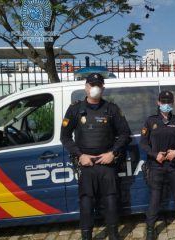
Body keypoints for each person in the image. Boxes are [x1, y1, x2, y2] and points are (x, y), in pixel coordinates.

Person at [60, 73, 131, 240]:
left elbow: (124, 134)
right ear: (86, 87)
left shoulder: (112, 109)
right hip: (86, 164)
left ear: (103, 88)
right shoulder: (75, 109)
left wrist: (112, 153)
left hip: (107, 164)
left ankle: (114, 235)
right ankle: (87, 236)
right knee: (86, 203)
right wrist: (79, 155)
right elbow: (65, 137)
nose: (95, 88)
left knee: (111, 201)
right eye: (92, 85)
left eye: (98, 85)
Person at [140, 90, 175, 240]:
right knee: (155, 199)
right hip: (156, 166)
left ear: (173, 103)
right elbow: (143, 143)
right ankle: (150, 229)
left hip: (174, 165)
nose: (166, 104)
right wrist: (155, 155)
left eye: (169, 102)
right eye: (163, 101)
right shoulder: (150, 121)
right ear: (158, 103)